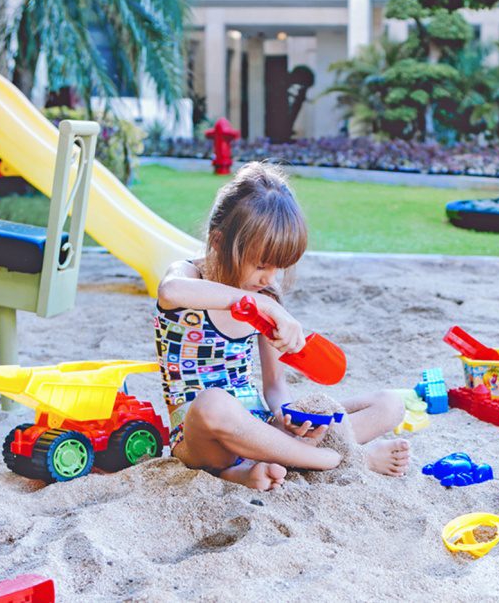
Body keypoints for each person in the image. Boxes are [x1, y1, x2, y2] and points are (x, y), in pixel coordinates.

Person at [155, 162, 410, 490]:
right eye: (261, 265)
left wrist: (286, 417)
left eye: (278, 268)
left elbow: (274, 388)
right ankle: (341, 457)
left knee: (388, 404)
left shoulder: (266, 295)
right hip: (202, 438)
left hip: (260, 429)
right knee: (213, 403)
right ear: (218, 242)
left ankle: (256, 468)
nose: (269, 279)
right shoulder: (189, 277)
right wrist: (261, 305)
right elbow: (169, 291)